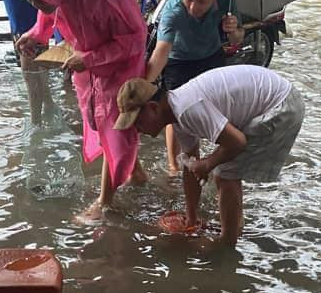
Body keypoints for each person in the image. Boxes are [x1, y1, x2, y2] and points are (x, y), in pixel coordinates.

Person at [10, 0, 147, 221]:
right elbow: (50, 10)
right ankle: (137, 173)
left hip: (120, 64)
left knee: (114, 126)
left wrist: (91, 59)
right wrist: (37, 34)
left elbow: (135, 40)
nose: (36, 2)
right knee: (95, 118)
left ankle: (104, 202)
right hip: (85, 58)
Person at [114, 66, 305, 246]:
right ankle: (233, 225)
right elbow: (190, 166)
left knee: (225, 173)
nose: (137, 130)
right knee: (227, 169)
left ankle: (227, 243)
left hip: (281, 105)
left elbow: (238, 142)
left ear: (154, 108)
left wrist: (208, 164)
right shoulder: (176, 113)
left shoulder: (187, 109)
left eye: (137, 122)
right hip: (277, 100)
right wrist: (191, 218)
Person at [145, 0, 244, 174]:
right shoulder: (173, 10)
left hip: (211, 56)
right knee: (174, 113)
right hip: (178, 60)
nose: (192, 7)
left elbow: (238, 40)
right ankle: (174, 167)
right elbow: (161, 52)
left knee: (217, 109)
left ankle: (218, 161)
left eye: (201, 2)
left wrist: (233, 30)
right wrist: (143, 85)